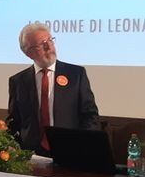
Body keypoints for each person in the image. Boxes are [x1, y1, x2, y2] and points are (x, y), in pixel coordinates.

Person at [7, 22, 100, 156]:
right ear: (29, 53)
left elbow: (90, 115)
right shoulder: (18, 81)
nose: (49, 46)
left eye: (50, 40)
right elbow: (14, 122)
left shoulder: (76, 74)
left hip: (70, 151)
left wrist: (84, 145)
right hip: (31, 155)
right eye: (42, 44)